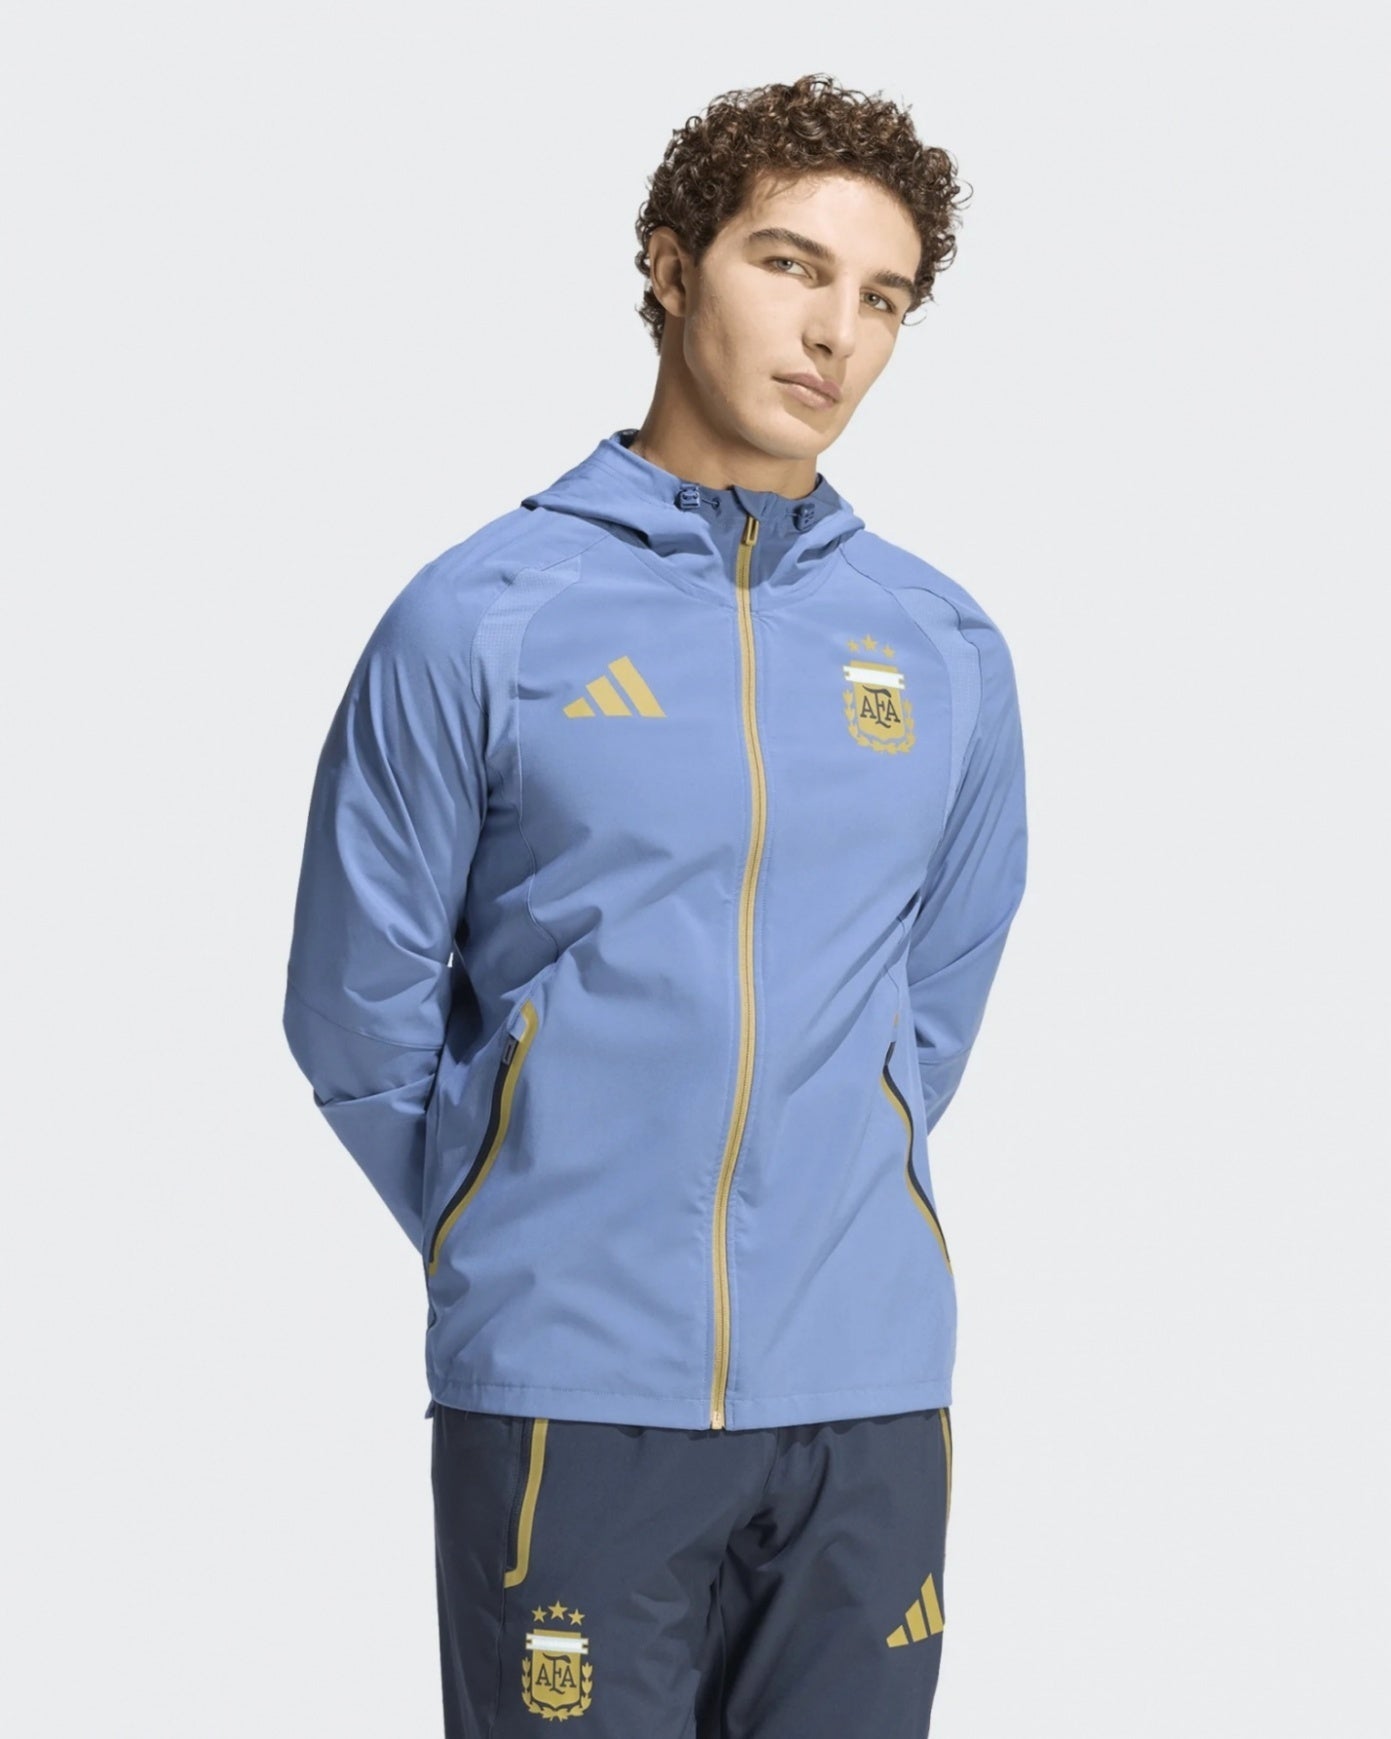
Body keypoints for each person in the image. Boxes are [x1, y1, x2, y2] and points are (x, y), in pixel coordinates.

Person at [282, 70, 1028, 1739]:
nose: (834, 332)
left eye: (883, 297)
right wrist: (525, 1217)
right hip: (570, 1394)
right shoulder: (482, 616)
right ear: (672, 264)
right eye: (790, 264)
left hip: (868, 1397)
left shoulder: (943, 647)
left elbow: (936, 998)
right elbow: (353, 1011)